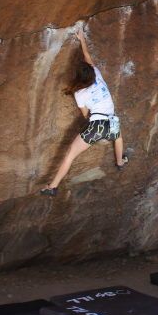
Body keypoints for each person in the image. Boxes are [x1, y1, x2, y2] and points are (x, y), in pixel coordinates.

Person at [40, 28, 127, 197]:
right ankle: (120, 162)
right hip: (112, 121)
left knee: (70, 155)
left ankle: (53, 187)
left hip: (96, 126)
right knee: (119, 138)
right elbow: (88, 56)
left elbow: (85, 114)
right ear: (92, 73)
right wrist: (82, 39)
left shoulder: (79, 93)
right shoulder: (98, 75)